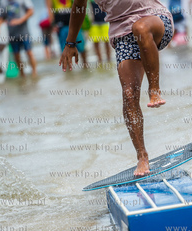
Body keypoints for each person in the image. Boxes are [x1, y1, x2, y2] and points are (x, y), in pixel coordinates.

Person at [59, 0, 174, 176]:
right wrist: (70, 43)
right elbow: (79, 7)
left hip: (154, 19)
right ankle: (142, 156)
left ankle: (155, 89)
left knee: (141, 28)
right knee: (129, 94)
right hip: (123, 34)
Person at [0, 0, 37, 77]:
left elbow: (31, 11)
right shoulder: (3, 2)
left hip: (24, 32)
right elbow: (1, 17)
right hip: (11, 33)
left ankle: (34, 73)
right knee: (16, 55)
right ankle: (22, 74)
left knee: (29, 52)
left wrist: (20, 20)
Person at [46, 0, 87, 66]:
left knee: (82, 46)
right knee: (65, 49)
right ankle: (68, 70)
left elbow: (79, 5)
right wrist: (53, 24)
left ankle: (85, 66)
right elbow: (49, 9)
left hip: (74, 23)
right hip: (61, 25)